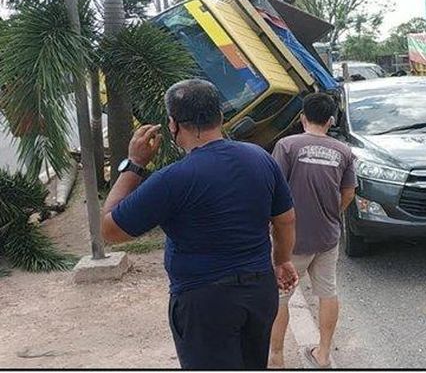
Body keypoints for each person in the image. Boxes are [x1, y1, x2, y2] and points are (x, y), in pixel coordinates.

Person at [100, 79, 298, 370]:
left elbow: (110, 231)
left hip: (205, 301)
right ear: (220, 116)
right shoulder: (260, 158)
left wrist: (133, 164)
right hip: (259, 291)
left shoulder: (171, 179)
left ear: (172, 124)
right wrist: (281, 260)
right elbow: (285, 218)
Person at [269, 93, 357, 368]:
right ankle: (323, 354)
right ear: (331, 120)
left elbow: (273, 189)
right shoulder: (344, 151)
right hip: (327, 238)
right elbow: (349, 193)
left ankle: (276, 358)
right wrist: (332, 214)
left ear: (302, 117)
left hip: (290, 240)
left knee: (280, 297)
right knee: (328, 292)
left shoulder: (287, 146)